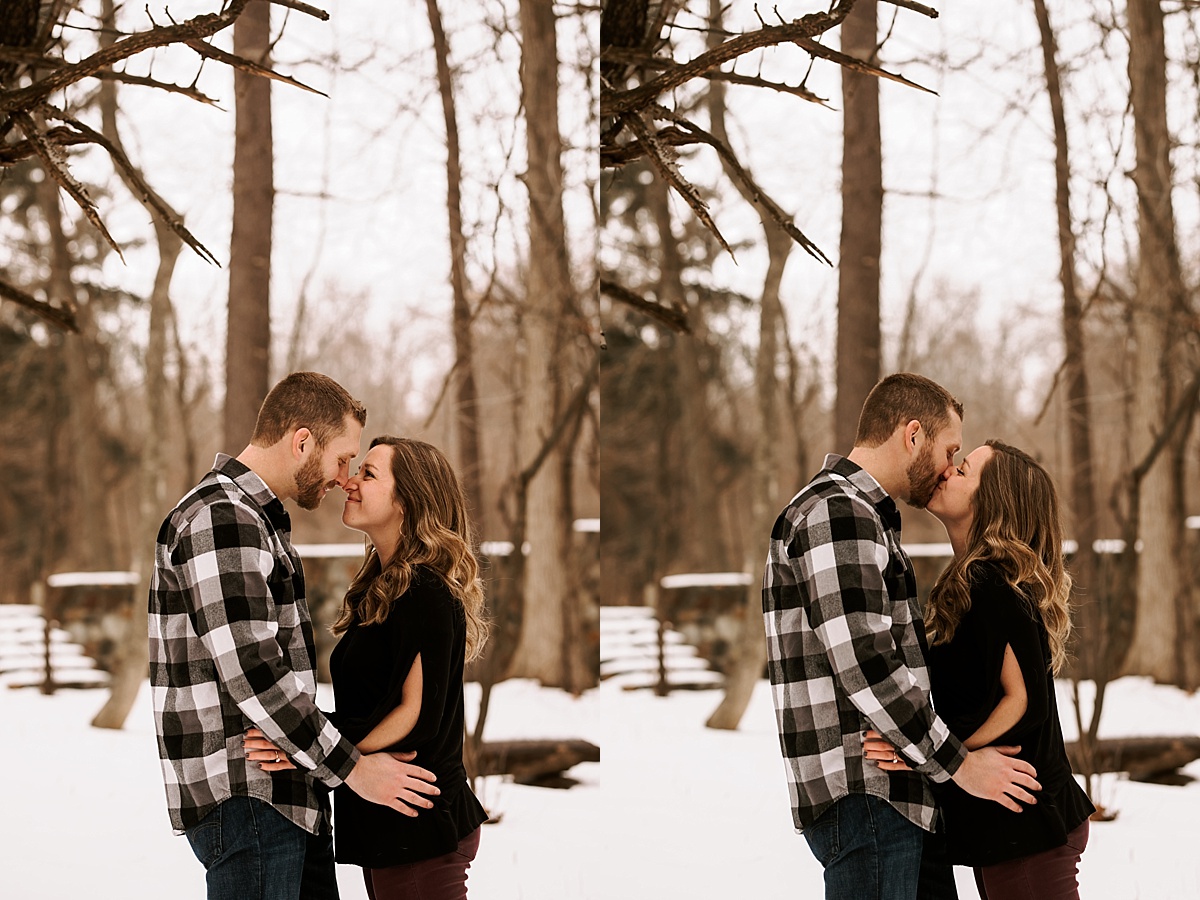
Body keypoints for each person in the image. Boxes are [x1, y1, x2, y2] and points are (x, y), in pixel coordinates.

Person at [150, 372, 442, 900]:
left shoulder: (254, 521)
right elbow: (255, 672)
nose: (343, 477)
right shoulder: (224, 518)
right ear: (302, 440)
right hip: (251, 800)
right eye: (342, 458)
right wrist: (352, 769)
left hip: (282, 797)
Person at [763, 372, 1042, 900]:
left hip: (892, 797)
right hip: (869, 798)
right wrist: (958, 764)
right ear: (912, 435)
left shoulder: (862, 517)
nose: (948, 467)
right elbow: (866, 664)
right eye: (949, 449)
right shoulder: (837, 512)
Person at [246, 436, 490, 900]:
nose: (349, 482)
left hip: (420, 825)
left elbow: (413, 713)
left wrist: (307, 747)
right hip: (389, 825)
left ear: (407, 500)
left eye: (369, 474)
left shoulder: (427, 590)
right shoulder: (382, 588)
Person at [864, 441, 1094, 899]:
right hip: (1012, 825)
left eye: (963, 469)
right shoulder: (975, 581)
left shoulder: (992, 581)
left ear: (993, 503)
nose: (947, 471)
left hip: (1028, 823)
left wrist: (929, 753)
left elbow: (1020, 699)